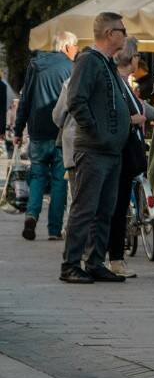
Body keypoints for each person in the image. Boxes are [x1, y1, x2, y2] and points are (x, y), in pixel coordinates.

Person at [59, 14, 139, 284]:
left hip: (110, 151)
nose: (125, 35)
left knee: (105, 209)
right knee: (85, 208)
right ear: (108, 33)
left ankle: (94, 262)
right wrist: (96, 131)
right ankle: (70, 265)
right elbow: (76, 100)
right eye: (122, 30)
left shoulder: (106, 64)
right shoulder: (88, 61)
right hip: (94, 150)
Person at [13, 31, 77, 241]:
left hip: (38, 132)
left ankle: (31, 215)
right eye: (75, 46)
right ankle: (54, 230)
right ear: (67, 47)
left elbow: (26, 99)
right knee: (59, 180)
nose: (76, 51)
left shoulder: (36, 65)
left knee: (38, 176)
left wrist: (17, 130)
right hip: (61, 132)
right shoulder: (71, 68)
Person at [105, 37, 154, 279]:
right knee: (117, 206)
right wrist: (138, 117)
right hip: (121, 153)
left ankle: (111, 256)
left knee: (117, 205)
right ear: (131, 58)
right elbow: (129, 113)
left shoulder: (122, 82)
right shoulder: (118, 82)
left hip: (120, 153)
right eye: (137, 57)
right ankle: (114, 258)